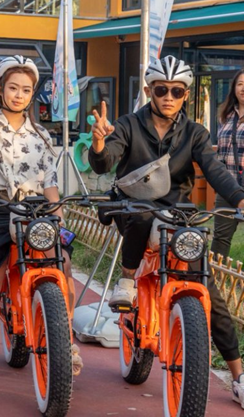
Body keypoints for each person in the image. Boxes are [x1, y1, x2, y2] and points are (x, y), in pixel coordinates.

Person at [88, 55, 244, 408]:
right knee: (144, 214)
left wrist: (239, 198)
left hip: (177, 216)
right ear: (149, 91)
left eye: (177, 91)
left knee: (209, 288)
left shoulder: (195, 133)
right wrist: (98, 144)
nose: (169, 97)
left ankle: (238, 376)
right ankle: (127, 279)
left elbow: (215, 169)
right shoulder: (128, 124)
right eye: (161, 90)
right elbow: (105, 162)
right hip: (133, 210)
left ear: (186, 94)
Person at [0, 50, 80, 388]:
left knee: (63, 265)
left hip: (36, 212)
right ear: (0, 88)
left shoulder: (41, 136)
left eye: (26, 90)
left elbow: (50, 182)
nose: (19, 95)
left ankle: (65, 340)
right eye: (12, 88)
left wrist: (57, 216)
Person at [212, 69, 244, 261]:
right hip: (227, 186)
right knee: (220, 238)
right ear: (233, 88)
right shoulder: (225, 116)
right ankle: (215, 275)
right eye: (240, 84)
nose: (243, 88)